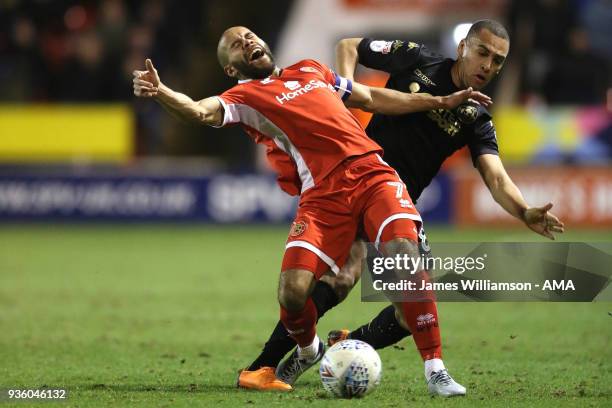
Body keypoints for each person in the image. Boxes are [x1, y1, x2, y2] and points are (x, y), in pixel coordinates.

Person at [133, 26, 489, 396]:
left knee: (404, 256)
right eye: (236, 45)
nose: (248, 42)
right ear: (231, 69)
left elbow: (369, 96)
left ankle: (436, 371)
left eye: (250, 36)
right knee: (292, 293)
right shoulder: (243, 97)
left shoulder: (310, 69)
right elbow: (197, 111)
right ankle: (309, 349)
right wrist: (161, 92)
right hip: (322, 196)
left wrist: (438, 101)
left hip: (373, 174)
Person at [250, 20, 565, 395]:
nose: (488, 66)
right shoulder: (415, 59)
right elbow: (350, 45)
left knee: (408, 309)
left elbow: (496, 179)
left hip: (397, 203)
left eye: (498, 61)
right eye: (483, 53)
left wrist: (524, 210)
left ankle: (346, 345)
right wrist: (342, 98)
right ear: (463, 47)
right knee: (341, 277)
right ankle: (268, 364)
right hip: (354, 182)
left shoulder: (476, 117)